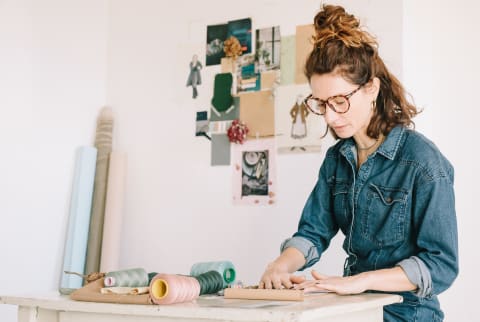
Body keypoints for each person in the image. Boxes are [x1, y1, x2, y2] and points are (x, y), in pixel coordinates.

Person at [259, 4, 458, 321]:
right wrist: (280, 265)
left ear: (371, 89)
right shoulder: (336, 160)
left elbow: (441, 265)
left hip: (409, 314)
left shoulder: (423, 163)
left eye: (339, 101)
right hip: (355, 312)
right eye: (321, 103)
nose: (329, 116)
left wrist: (360, 281)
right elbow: (313, 233)